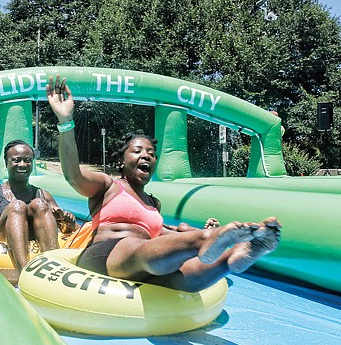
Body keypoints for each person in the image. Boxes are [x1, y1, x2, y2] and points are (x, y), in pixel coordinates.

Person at [46, 76, 281, 292]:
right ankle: (205, 242)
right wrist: (65, 121)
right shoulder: (108, 186)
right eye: (137, 151)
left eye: (151, 153)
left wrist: (202, 231)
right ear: (121, 161)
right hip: (105, 256)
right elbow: (73, 175)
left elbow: (165, 233)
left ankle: (236, 257)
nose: (146, 156)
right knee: (135, 246)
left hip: (145, 261)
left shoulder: (153, 203)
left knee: (188, 278)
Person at [0, 139, 76, 275]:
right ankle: (23, 272)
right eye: (16, 160)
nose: (22, 165)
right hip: (1, 245)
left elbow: (67, 228)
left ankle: (54, 265)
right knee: (17, 206)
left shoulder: (42, 195)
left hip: (35, 242)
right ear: (6, 163)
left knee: (39, 204)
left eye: (27, 160)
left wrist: (66, 220)